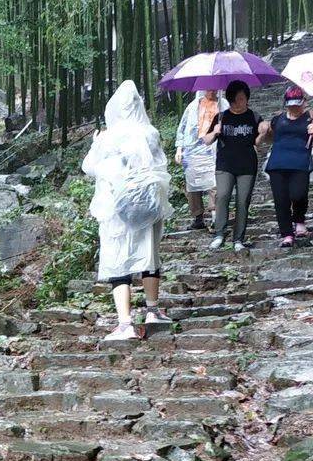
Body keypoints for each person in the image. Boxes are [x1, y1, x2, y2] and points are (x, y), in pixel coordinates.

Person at [83, 80, 172, 342]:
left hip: (115, 208)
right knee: (149, 254)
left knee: (118, 259)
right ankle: (152, 311)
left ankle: (125, 324)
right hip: (147, 205)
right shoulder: (150, 133)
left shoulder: (108, 138)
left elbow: (90, 168)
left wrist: (95, 143)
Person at [261, 85, 313, 247]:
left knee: (298, 194)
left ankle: (299, 219)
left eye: (298, 103)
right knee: (281, 200)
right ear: (286, 103)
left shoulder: (312, 119)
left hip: (300, 163)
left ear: (304, 102)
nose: (295, 107)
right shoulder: (278, 119)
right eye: (291, 104)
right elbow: (269, 138)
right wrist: (264, 130)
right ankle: (287, 234)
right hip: (277, 163)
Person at [206, 79, 261, 252]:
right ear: (230, 100)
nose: (239, 103)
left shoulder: (254, 117)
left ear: (247, 98)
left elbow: (262, 140)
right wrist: (215, 131)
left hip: (247, 164)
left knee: (242, 201)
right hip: (224, 164)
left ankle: (238, 238)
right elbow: (206, 140)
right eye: (235, 100)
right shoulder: (221, 117)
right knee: (222, 196)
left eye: (242, 99)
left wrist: (265, 132)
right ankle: (219, 234)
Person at [175, 89, 220, 229]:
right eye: (209, 89)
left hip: (213, 151)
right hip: (192, 152)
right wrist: (179, 148)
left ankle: (215, 217)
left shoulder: (222, 104)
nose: (212, 92)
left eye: (214, 89)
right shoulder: (192, 107)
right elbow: (182, 128)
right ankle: (198, 217)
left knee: (214, 184)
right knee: (193, 186)